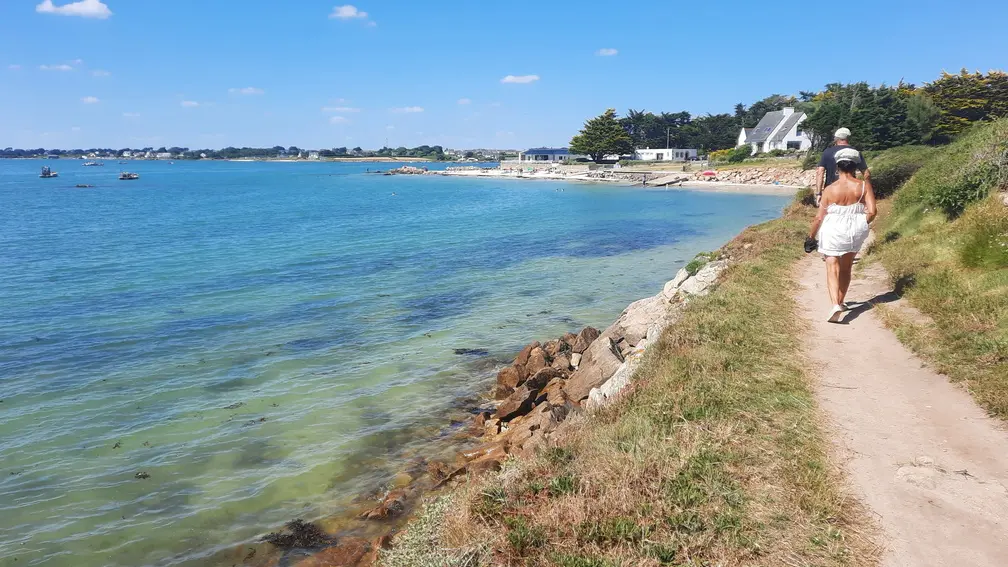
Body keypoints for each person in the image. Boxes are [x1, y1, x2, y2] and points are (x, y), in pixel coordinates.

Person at [805, 147, 876, 322]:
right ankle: (842, 300)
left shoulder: (830, 189)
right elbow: (873, 212)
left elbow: (819, 218)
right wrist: (860, 223)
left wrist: (811, 237)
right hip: (854, 230)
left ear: (837, 167)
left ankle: (835, 304)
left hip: (832, 230)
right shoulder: (863, 186)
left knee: (832, 267)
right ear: (854, 167)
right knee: (846, 267)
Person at [815, 127, 870, 205]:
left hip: (831, 190)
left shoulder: (827, 152)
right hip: (851, 190)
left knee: (830, 214)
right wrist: (867, 191)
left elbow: (820, 172)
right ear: (848, 138)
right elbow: (866, 173)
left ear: (836, 139)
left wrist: (818, 193)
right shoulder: (855, 153)